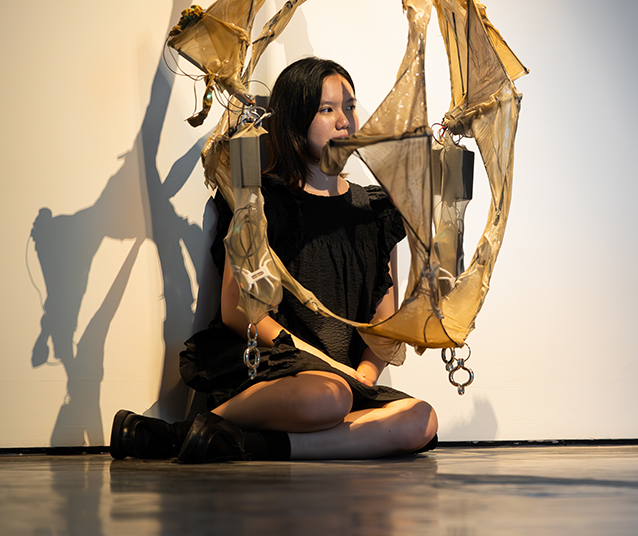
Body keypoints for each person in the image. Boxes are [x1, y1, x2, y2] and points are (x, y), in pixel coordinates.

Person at [111, 57, 438, 462]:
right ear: (296, 118)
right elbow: (236, 311)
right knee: (327, 396)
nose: (344, 121)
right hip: (277, 368)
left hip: (344, 380)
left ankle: (229, 442)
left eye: (350, 107)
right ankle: (194, 428)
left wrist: (365, 376)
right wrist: (322, 365)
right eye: (327, 109)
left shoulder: (376, 211)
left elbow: (383, 324)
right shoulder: (259, 201)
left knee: (421, 420)